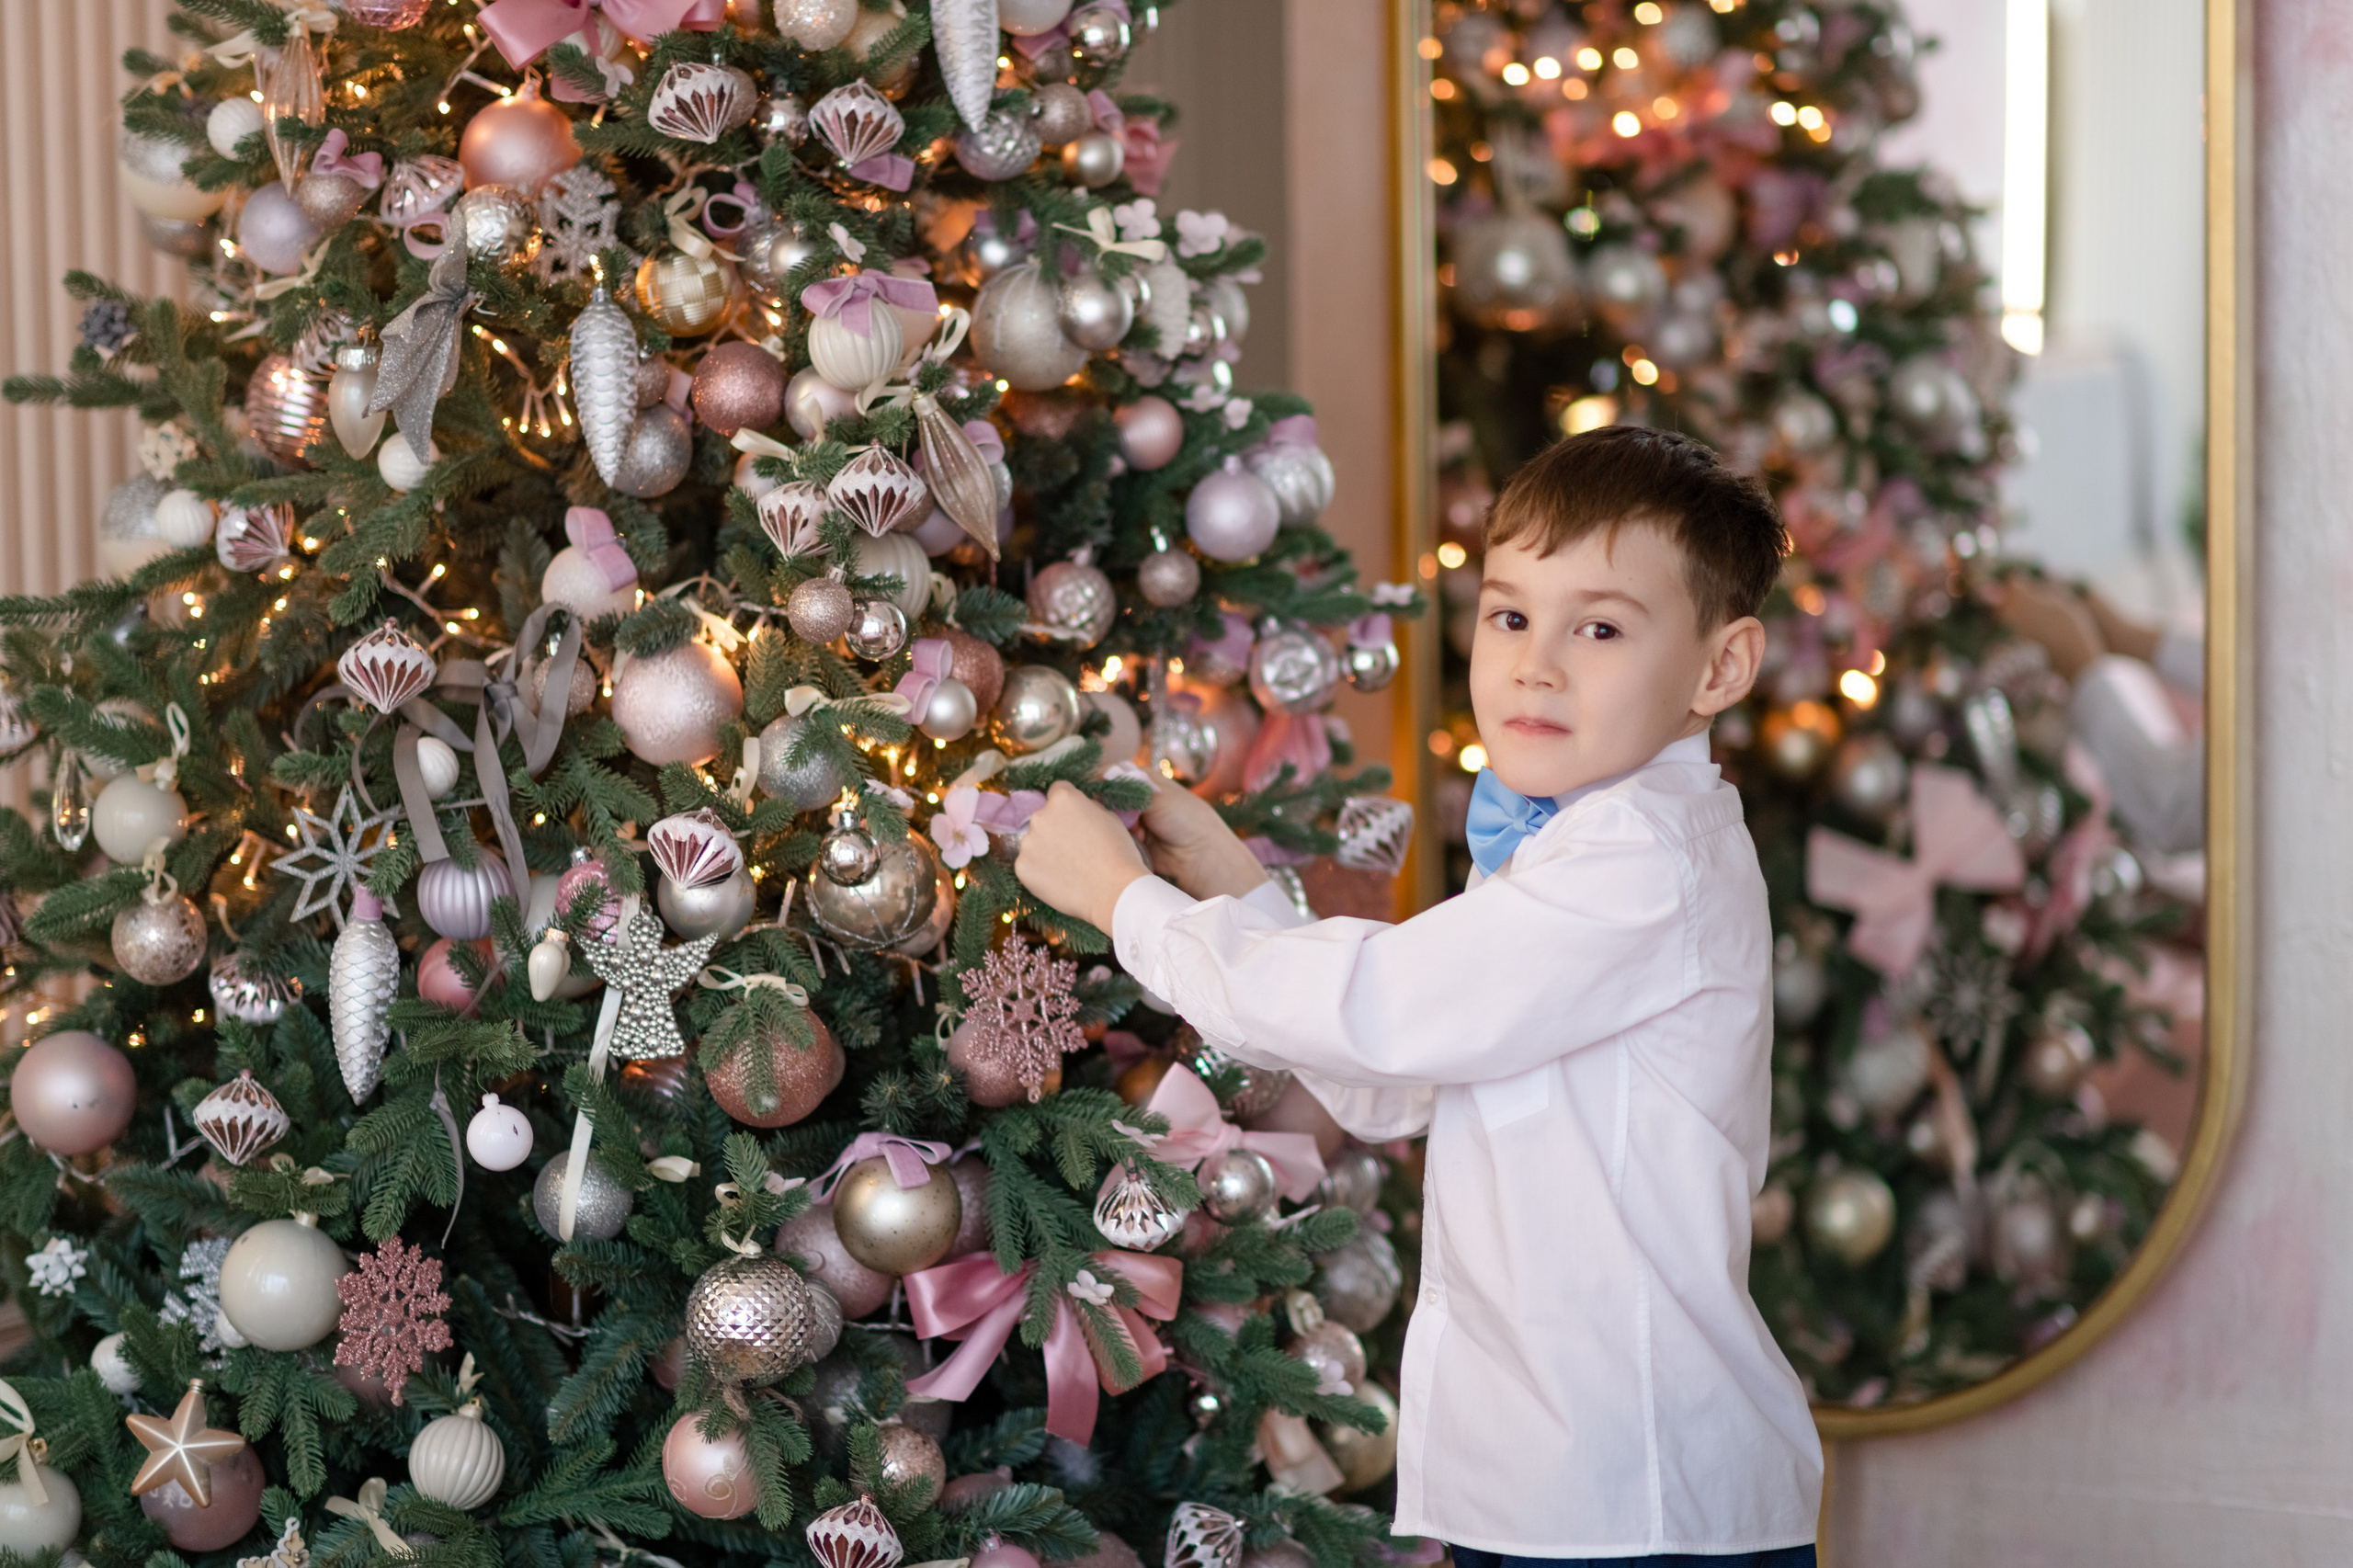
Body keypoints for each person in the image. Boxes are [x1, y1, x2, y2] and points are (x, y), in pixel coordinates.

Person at [1017, 426, 1823, 1566]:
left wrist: (1126, 901)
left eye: (1597, 627)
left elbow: (1378, 1006)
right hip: (1539, 1480)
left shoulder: (1645, 858)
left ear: (1719, 668)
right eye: (1509, 616)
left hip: (1629, 1490)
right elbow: (1397, 1079)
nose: (1536, 663)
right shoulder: (1576, 845)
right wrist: (1237, 885)